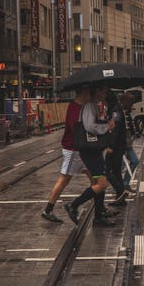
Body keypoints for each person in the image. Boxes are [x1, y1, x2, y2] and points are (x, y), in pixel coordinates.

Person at [64, 83, 116, 227]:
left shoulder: (94, 105)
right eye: (104, 92)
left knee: (100, 182)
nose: (105, 95)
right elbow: (89, 126)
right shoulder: (89, 106)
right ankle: (73, 205)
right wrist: (107, 127)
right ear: (97, 91)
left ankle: (98, 216)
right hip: (89, 151)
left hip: (93, 150)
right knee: (101, 183)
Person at [42, 86, 92, 223]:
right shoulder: (75, 107)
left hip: (80, 150)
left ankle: (99, 209)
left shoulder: (81, 106)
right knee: (64, 179)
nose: (90, 93)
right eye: (89, 91)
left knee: (96, 180)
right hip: (73, 150)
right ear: (83, 91)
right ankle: (49, 209)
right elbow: (75, 128)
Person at [104, 90, 128, 205]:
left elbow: (115, 130)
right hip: (118, 145)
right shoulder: (114, 109)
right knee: (116, 171)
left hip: (116, 146)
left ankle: (120, 192)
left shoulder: (115, 111)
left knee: (107, 170)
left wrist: (110, 146)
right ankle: (120, 198)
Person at [120, 92, 139, 192]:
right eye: (131, 102)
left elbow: (130, 127)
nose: (132, 105)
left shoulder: (127, 112)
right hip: (120, 144)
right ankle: (119, 186)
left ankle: (125, 183)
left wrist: (133, 135)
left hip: (128, 143)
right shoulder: (118, 112)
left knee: (135, 161)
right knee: (120, 165)